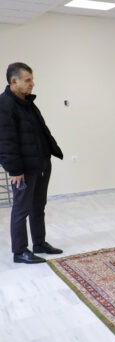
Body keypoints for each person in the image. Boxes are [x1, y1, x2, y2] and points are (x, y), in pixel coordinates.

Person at [0, 62, 64, 264]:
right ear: (14, 81)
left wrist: (51, 151)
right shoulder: (4, 105)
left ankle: (39, 243)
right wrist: (14, 170)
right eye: (28, 80)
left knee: (38, 206)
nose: (32, 83)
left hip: (40, 163)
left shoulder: (27, 103)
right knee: (21, 209)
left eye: (32, 79)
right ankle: (19, 251)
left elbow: (40, 130)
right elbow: (5, 141)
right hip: (24, 169)